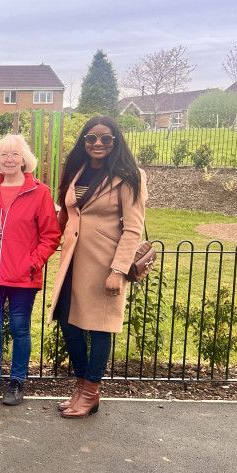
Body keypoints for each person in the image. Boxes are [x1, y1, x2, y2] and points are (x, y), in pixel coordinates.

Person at [48, 115, 147, 418]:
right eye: (91, 138)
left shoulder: (129, 176)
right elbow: (67, 214)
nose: (98, 143)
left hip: (105, 263)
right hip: (73, 262)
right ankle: (81, 387)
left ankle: (91, 392)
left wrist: (118, 271)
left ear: (115, 141)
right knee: (68, 323)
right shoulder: (76, 171)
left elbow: (133, 229)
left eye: (105, 138)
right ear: (84, 142)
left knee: (100, 328)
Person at [0, 134, 61, 405]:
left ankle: (17, 382)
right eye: (3, 155)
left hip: (23, 276)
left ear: (24, 160)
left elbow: (51, 236)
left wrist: (32, 262)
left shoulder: (39, 192)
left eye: (15, 154)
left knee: (20, 328)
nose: (9, 159)